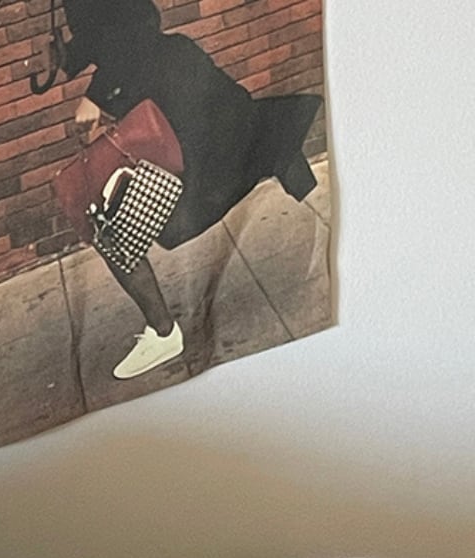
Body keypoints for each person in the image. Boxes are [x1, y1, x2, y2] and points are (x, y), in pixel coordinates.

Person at [55, 0, 322, 379]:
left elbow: (137, 22)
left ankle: (163, 333)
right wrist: (66, 57)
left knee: (108, 221)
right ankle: (298, 172)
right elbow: (107, 30)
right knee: (253, 141)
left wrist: (95, 95)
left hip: (168, 94)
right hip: (168, 85)